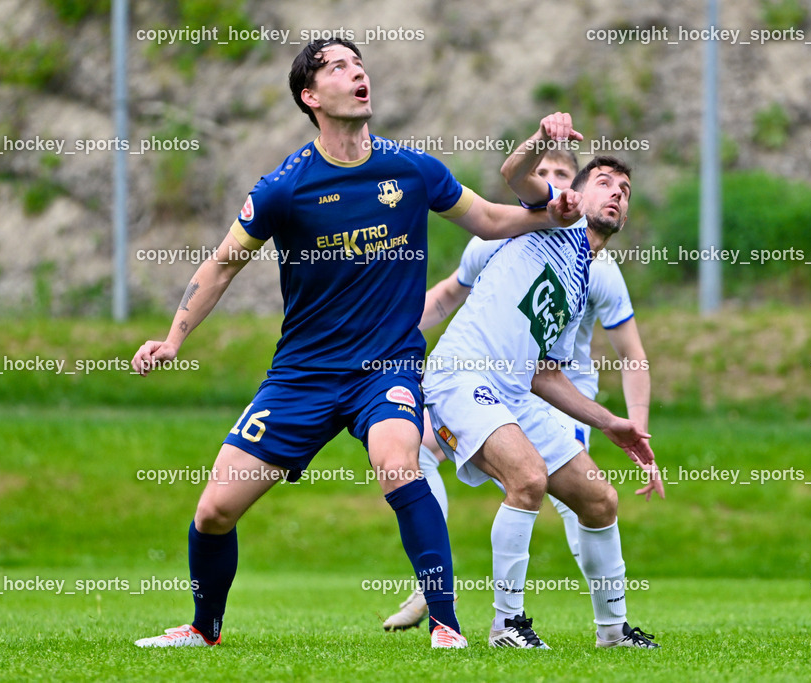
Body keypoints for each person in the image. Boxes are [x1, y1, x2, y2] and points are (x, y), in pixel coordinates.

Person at [130, 39, 580, 650]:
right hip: (302, 375)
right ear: (310, 97)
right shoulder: (284, 187)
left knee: (398, 459)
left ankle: (447, 626)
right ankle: (202, 628)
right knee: (214, 511)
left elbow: (492, 219)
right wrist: (174, 337)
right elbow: (221, 265)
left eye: (359, 63)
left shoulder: (412, 169)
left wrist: (553, 211)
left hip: (385, 366)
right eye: (338, 67)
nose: (357, 72)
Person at [383, 136, 656, 634]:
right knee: (527, 478)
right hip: (461, 375)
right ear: (574, 191)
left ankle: (614, 633)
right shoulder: (552, 220)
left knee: (600, 500)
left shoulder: (580, 281)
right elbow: (514, 173)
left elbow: (545, 373)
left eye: (625, 189)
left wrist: (612, 422)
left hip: (513, 390)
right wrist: (544, 141)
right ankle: (507, 625)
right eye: (603, 183)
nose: (617, 193)